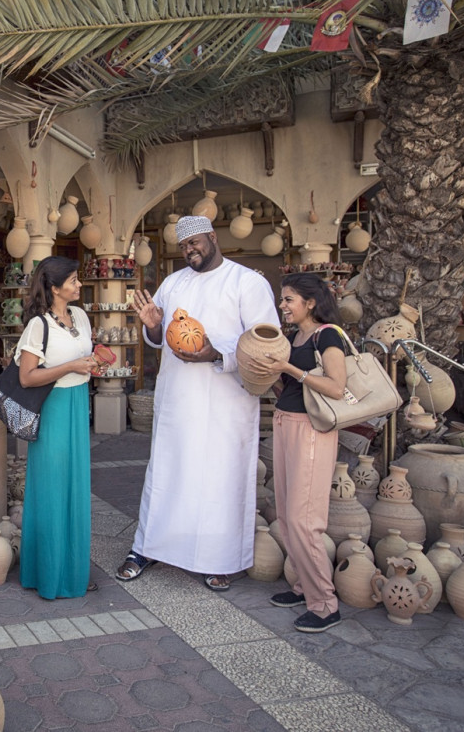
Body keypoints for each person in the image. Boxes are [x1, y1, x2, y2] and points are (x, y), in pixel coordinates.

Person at [115, 215, 278, 591]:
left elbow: (266, 345)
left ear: (212, 238)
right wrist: (153, 324)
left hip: (227, 403)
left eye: (195, 243)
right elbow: (156, 335)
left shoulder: (247, 283)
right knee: (169, 474)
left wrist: (216, 355)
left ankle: (221, 559)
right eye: (184, 245)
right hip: (178, 402)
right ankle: (149, 547)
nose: (190, 250)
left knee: (221, 479)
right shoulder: (173, 283)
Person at [249, 272, 348, 633]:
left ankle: (325, 604)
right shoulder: (295, 336)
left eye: (289, 299)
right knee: (289, 516)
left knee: (306, 519)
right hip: (286, 423)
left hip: (312, 430)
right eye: (282, 298)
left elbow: (337, 387)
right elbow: (288, 384)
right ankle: (305, 588)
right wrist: (271, 372)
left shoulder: (328, 335)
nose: (282, 305)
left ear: (310, 302)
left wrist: (290, 368)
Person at [16, 256, 98, 599]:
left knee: (76, 488)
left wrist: (91, 367)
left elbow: (83, 360)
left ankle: (74, 572)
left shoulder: (80, 316)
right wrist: (70, 367)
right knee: (51, 489)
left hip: (78, 404)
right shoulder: (39, 325)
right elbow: (27, 376)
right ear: (54, 287)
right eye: (74, 281)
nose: (79, 285)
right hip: (53, 409)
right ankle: (48, 575)